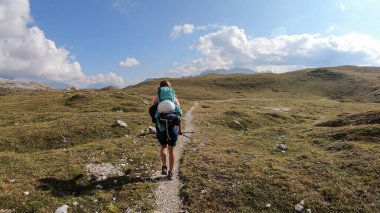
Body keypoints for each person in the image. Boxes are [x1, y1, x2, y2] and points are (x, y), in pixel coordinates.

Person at [149, 80, 183, 179]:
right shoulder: (175, 99)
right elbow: (179, 115)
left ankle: (164, 165)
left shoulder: (156, 98)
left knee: (164, 146)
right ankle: (170, 173)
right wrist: (180, 130)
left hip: (161, 127)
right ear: (169, 88)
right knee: (171, 150)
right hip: (173, 128)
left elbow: (153, 111)